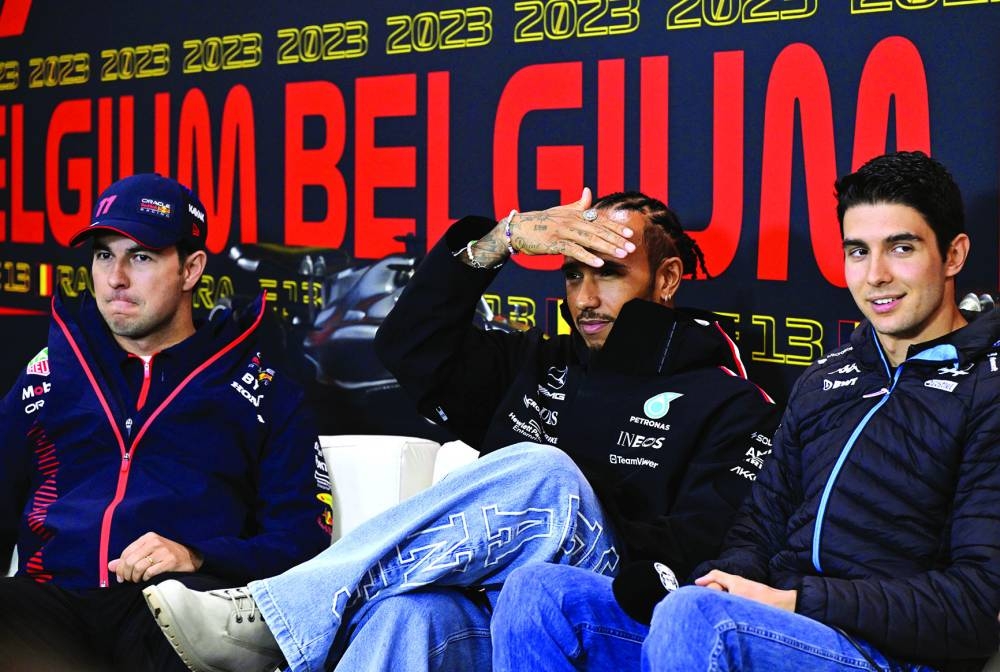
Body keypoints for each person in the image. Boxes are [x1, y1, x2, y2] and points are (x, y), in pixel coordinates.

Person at [142, 189, 779, 672]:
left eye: (607, 272)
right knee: (406, 615)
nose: (585, 298)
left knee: (546, 471)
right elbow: (407, 343)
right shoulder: (537, 363)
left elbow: (704, 551)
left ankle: (280, 618)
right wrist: (501, 241)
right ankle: (291, 621)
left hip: (606, 601)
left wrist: (562, 513)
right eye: (572, 273)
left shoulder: (731, 401)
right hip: (492, 608)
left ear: (666, 279)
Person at [490, 151, 1000, 672]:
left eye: (901, 248)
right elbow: (756, 528)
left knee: (694, 616)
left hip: (887, 654)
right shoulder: (827, 380)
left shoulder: (988, 388)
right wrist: (726, 581)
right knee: (540, 593)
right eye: (857, 251)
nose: (876, 276)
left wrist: (793, 600)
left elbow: (979, 605)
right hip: (778, 624)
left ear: (954, 255)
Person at [0, 173, 332, 672]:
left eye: (141, 257)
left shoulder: (263, 391)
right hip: (53, 607)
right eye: (103, 255)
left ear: (191, 269)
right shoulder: (49, 374)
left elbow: (303, 541)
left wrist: (197, 555)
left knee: (176, 620)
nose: (115, 278)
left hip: (172, 613)